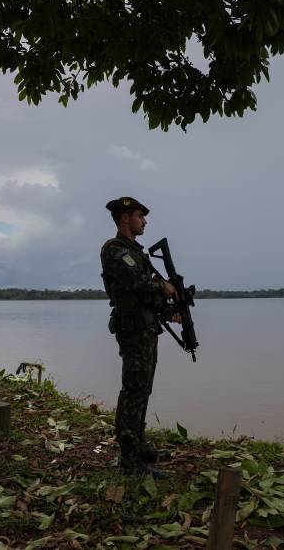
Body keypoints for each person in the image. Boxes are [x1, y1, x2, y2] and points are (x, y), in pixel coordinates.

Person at [100, 196, 177, 475]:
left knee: (143, 387)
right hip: (132, 329)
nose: (144, 221)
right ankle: (130, 459)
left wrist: (169, 310)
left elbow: (145, 294)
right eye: (139, 216)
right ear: (125, 218)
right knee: (133, 389)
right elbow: (137, 283)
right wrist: (163, 286)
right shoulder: (115, 249)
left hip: (146, 327)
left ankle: (140, 443)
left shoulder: (136, 251)